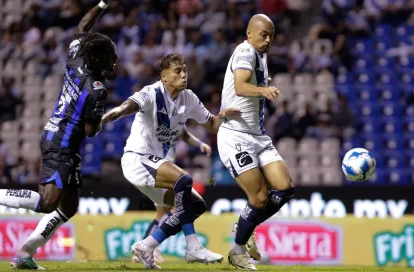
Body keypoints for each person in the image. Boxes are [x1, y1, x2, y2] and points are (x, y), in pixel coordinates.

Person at [0, 0, 117, 270]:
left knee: (68, 207)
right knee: (48, 202)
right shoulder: (97, 90)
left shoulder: (76, 54)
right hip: (62, 141)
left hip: (59, 136)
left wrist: (102, 4)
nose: (114, 59)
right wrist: (105, 117)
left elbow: (83, 25)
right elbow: (91, 131)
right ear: (98, 60)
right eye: (110, 56)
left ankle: (25, 253)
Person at [101, 53, 241, 269]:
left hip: (155, 163)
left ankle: (146, 246)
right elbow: (130, 105)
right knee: (184, 179)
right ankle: (193, 247)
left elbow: (212, 125)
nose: (184, 74)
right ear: (164, 76)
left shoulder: (189, 98)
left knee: (195, 206)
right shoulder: (152, 92)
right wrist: (116, 112)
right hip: (137, 160)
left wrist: (224, 115)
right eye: (178, 71)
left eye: (185, 70)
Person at [217, 14, 295, 270]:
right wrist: (263, 90)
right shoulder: (245, 51)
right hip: (235, 135)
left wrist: (262, 85)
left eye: (271, 35)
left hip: (257, 135)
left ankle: (245, 225)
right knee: (260, 196)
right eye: (263, 34)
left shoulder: (261, 56)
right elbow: (240, 86)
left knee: (284, 188)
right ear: (249, 33)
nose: (268, 39)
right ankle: (237, 251)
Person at [131, 128, 212, 264]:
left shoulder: (175, 116)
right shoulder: (157, 117)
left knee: (165, 212)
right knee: (178, 208)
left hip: (166, 169)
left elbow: (184, 134)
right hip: (159, 169)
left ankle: (146, 248)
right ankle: (148, 247)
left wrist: (199, 144)